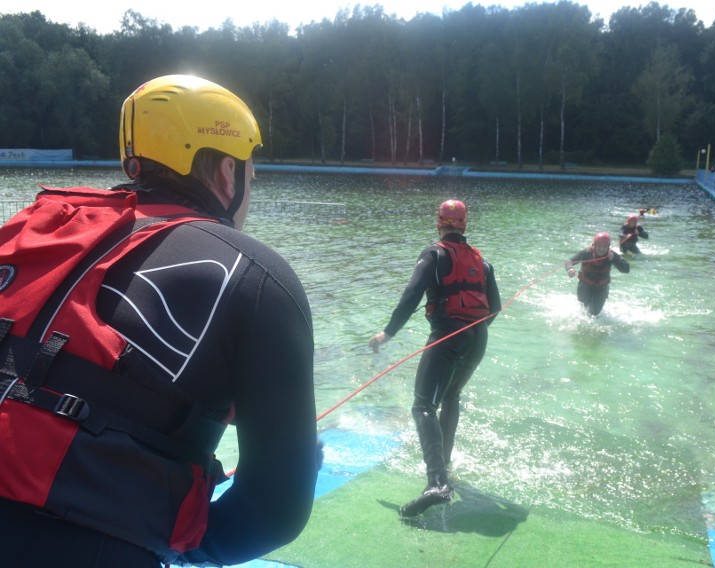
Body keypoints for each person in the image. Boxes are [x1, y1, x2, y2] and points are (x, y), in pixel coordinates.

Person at [0, 75, 319, 567]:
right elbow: (275, 511)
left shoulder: (31, 227)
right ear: (228, 172)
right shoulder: (257, 276)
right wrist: (187, 546)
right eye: (252, 175)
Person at [368, 199, 501, 517]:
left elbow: (411, 294)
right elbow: (494, 306)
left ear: (439, 222)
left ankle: (437, 482)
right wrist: (473, 331)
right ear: (464, 224)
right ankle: (445, 465)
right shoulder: (483, 263)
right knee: (452, 395)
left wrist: (388, 333)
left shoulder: (434, 253)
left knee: (423, 405)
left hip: (447, 335)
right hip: (479, 336)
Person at [566, 232, 630, 316]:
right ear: (595, 245)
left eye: (604, 246)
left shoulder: (611, 255)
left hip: (601, 289)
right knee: (583, 311)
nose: (601, 249)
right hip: (584, 286)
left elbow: (626, 269)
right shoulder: (586, 253)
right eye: (599, 246)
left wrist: (615, 259)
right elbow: (569, 262)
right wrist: (570, 269)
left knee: (594, 313)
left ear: (608, 247)